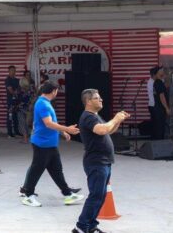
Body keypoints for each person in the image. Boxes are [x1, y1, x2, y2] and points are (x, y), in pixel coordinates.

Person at [73, 89, 130, 233]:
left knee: (101, 195)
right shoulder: (88, 117)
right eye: (97, 98)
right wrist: (116, 118)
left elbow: (109, 130)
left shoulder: (95, 116)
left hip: (103, 162)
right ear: (88, 101)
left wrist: (118, 121)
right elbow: (102, 130)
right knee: (96, 195)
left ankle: (91, 225)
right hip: (96, 162)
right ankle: (81, 226)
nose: (101, 100)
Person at [20, 82, 84, 207]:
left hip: (49, 144)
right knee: (36, 170)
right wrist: (67, 128)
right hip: (42, 144)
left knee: (56, 170)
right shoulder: (42, 104)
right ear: (54, 91)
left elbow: (52, 122)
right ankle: (28, 195)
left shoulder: (45, 103)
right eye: (57, 91)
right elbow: (48, 123)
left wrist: (63, 131)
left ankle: (67, 194)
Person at [147, 66, 169, 140]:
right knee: (158, 126)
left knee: (157, 125)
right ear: (155, 74)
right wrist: (166, 108)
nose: (162, 72)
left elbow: (165, 86)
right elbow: (161, 95)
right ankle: (158, 141)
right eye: (160, 71)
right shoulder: (153, 82)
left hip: (155, 106)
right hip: (156, 106)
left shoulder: (156, 81)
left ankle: (156, 140)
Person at [5, 65, 22, 138]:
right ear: (9, 71)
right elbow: (10, 90)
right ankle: (9, 133)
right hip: (10, 101)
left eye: (14, 70)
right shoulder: (7, 80)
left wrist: (17, 92)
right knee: (10, 117)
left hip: (17, 101)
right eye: (11, 70)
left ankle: (16, 132)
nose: (13, 72)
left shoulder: (17, 80)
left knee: (16, 117)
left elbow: (20, 89)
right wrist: (15, 92)